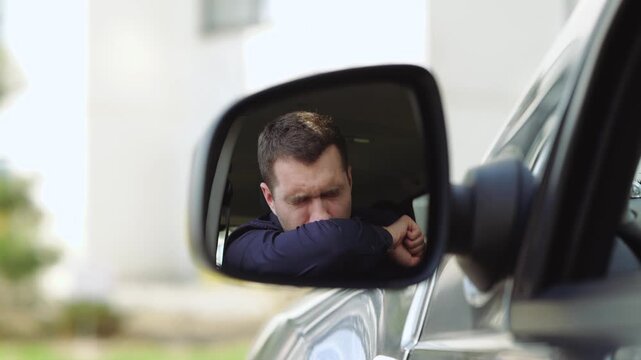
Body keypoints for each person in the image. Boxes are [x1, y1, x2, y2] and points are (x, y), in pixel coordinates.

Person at [223, 111, 426, 278]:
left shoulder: (385, 222)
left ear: (349, 179)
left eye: (331, 194)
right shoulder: (245, 246)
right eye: (300, 200)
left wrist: (414, 244)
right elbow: (332, 243)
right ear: (270, 199)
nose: (321, 216)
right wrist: (387, 238)